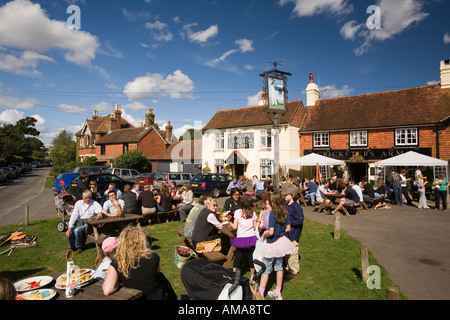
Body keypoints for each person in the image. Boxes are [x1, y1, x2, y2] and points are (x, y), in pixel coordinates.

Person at [102, 225, 176, 300]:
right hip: (156, 297)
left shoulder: (117, 263)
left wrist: (119, 282)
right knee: (160, 276)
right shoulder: (153, 257)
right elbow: (156, 272)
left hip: (135, 298)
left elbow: (107, 290)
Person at [258, 192, 295, 300]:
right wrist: (281, 231)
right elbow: (288, 228)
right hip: (281, 242)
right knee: (279, 268)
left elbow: (271, 231)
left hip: (271, 243)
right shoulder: (285, 213)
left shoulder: (272, 215)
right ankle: (278, 292)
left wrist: (264, 234)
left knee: (266, 268)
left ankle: (260, 293)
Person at [229, 194, 258, 280]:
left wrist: (229, 221)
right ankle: (252, 275)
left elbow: (234, 227)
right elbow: (255, 226)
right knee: (251, 256)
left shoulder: (238, 212)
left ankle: (234, 275)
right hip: (251, 237)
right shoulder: (253, 213)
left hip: (241, 238)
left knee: (238, 255)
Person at [283, 190, 304, 280]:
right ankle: (288, 268)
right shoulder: (286, 206)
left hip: (293, 233)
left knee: (293, 253)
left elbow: (300, 220)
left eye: (286, 195)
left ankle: (294, 271)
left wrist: (288, 222)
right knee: (286, 252)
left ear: (292, 195)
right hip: (286, 233)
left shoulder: (296, 207)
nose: (284, 196)